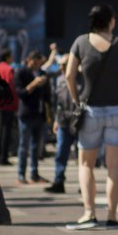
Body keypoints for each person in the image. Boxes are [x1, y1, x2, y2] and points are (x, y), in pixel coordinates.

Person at [64, 4, 118, 230]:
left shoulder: (80, 42)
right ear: (111, 21)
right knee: (114, 166)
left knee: (86, 164)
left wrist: (76, 100)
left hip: (90, 110)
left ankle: (89, 214)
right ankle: (112, 216)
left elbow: (69, 74)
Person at [14, 50, 51, 184]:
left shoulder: (42, 73)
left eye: (39, 63)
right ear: (29, 60)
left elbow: (47, 96)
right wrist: (34, 84)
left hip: (39, 114)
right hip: (26, 114)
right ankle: (21, 174)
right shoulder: (21, 72)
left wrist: (49, 114)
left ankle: (34, 174)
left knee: (36, 146)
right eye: (35, 62)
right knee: (24, 146)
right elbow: (20, 93)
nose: (37, 65)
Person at [44, 54, 78, 194]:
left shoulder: (81, 78)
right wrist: (56, 121)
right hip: (63, 121)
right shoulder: (58, 80)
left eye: (64, 64)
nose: (61, 67)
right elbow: (57, 102)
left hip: (79, 121)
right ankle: (59, 181)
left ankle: (85, 184)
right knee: (60, 153)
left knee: (82, 155)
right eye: (61, 65)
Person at [0, 48, 19, 166]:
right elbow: (11, 87)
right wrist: (15, 103)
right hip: (7, 104)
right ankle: (3, 157)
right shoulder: (9, 69)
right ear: (7, 57)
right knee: (6, 131)